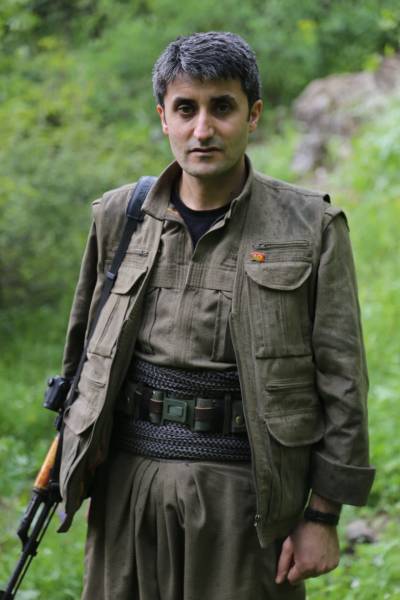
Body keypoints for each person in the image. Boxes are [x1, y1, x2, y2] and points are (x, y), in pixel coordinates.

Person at [58, 31, 375, 599]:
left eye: (221, 107)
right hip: (127, 487)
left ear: (253, 114)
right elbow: (81, 354)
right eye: (186, 109)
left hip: (246, 498)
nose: (202, 129)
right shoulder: (120, 217)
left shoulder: (310, 227)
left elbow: (343, 380)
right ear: (164, 117)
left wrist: (322, 516)